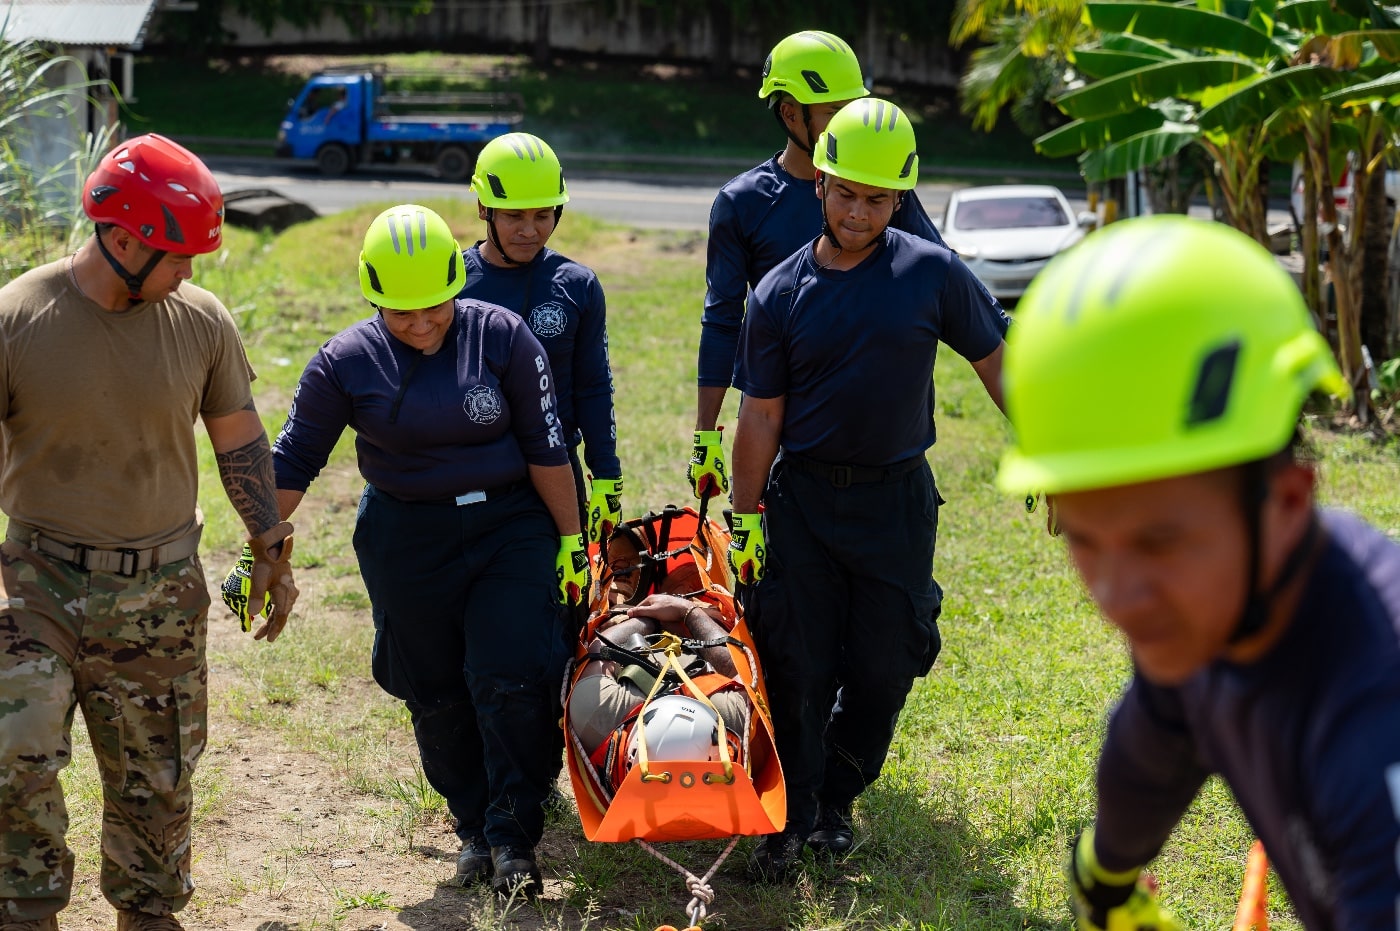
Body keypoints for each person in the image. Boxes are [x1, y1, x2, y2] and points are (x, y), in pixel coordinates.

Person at [996, 214, 1400, 930]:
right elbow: (1153, 744)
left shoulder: (1375, 737)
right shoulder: (1212, 606)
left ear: (1285, 502)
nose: (1118, 596)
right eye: (1086, 539)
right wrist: (1106, 881)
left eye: (1159, 540)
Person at [0, 133, 298, 931]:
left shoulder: (199, 321)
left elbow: (238, 436)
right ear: (122, 238)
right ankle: (26, 910)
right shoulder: (18, 317)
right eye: (176, 254)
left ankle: (148, 914)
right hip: (36, 582)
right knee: (14, 747)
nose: (189, 272)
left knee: (155, 775)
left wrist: (271, 549)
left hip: (159, 589)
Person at [266, 204, 587, 900]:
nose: (419, 324)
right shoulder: (344, 361)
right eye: (399, 312)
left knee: (511, 675)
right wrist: (258, 543)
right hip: (407, 535)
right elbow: (293, 460)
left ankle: (513, 835)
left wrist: (570, 539)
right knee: (433, 686)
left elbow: (547, 445)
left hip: (510, 527)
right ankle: (471, 824)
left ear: (456, 283)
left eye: (434, 307)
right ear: (372, 295)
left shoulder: (503, 336)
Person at [726, 98, 1010, 881]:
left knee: (887, 663)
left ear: (900, 198)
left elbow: (998, 366)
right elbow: (761, 415)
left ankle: (839, 795)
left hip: (896, 503)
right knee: (797, 664)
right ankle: (793, 818)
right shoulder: (781, 291)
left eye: (877, 199)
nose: (859, 211)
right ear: (821, 181)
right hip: (804, 503)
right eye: (846, 192)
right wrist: (745, 517)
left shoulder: (931, 273)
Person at [689, 29, 952, 502]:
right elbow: (723, 318)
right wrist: (706, 434)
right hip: (782, 430)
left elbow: (950, 289)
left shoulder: (885, 190)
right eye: (834, 112)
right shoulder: (743, 203)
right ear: (791, 114)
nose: (849, 124)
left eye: (853, 109)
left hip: (878, 441)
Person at [462, 132, 622, 547]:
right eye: (514, 216)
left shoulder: (578, 284)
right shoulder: (451, 284)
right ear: (484, 207)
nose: (530, 231)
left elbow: (593, 385)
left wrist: (605, 474)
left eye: (543, 215)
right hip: (472, 473)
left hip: (556, 471)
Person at [567, 593, 749, 784]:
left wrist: (648, 619)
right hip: (696, 639)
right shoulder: (739, 720)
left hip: (642, 638)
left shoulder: (597, 712)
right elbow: (738, 664)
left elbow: (599, 647)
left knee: (616, 616)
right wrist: (687, 611)